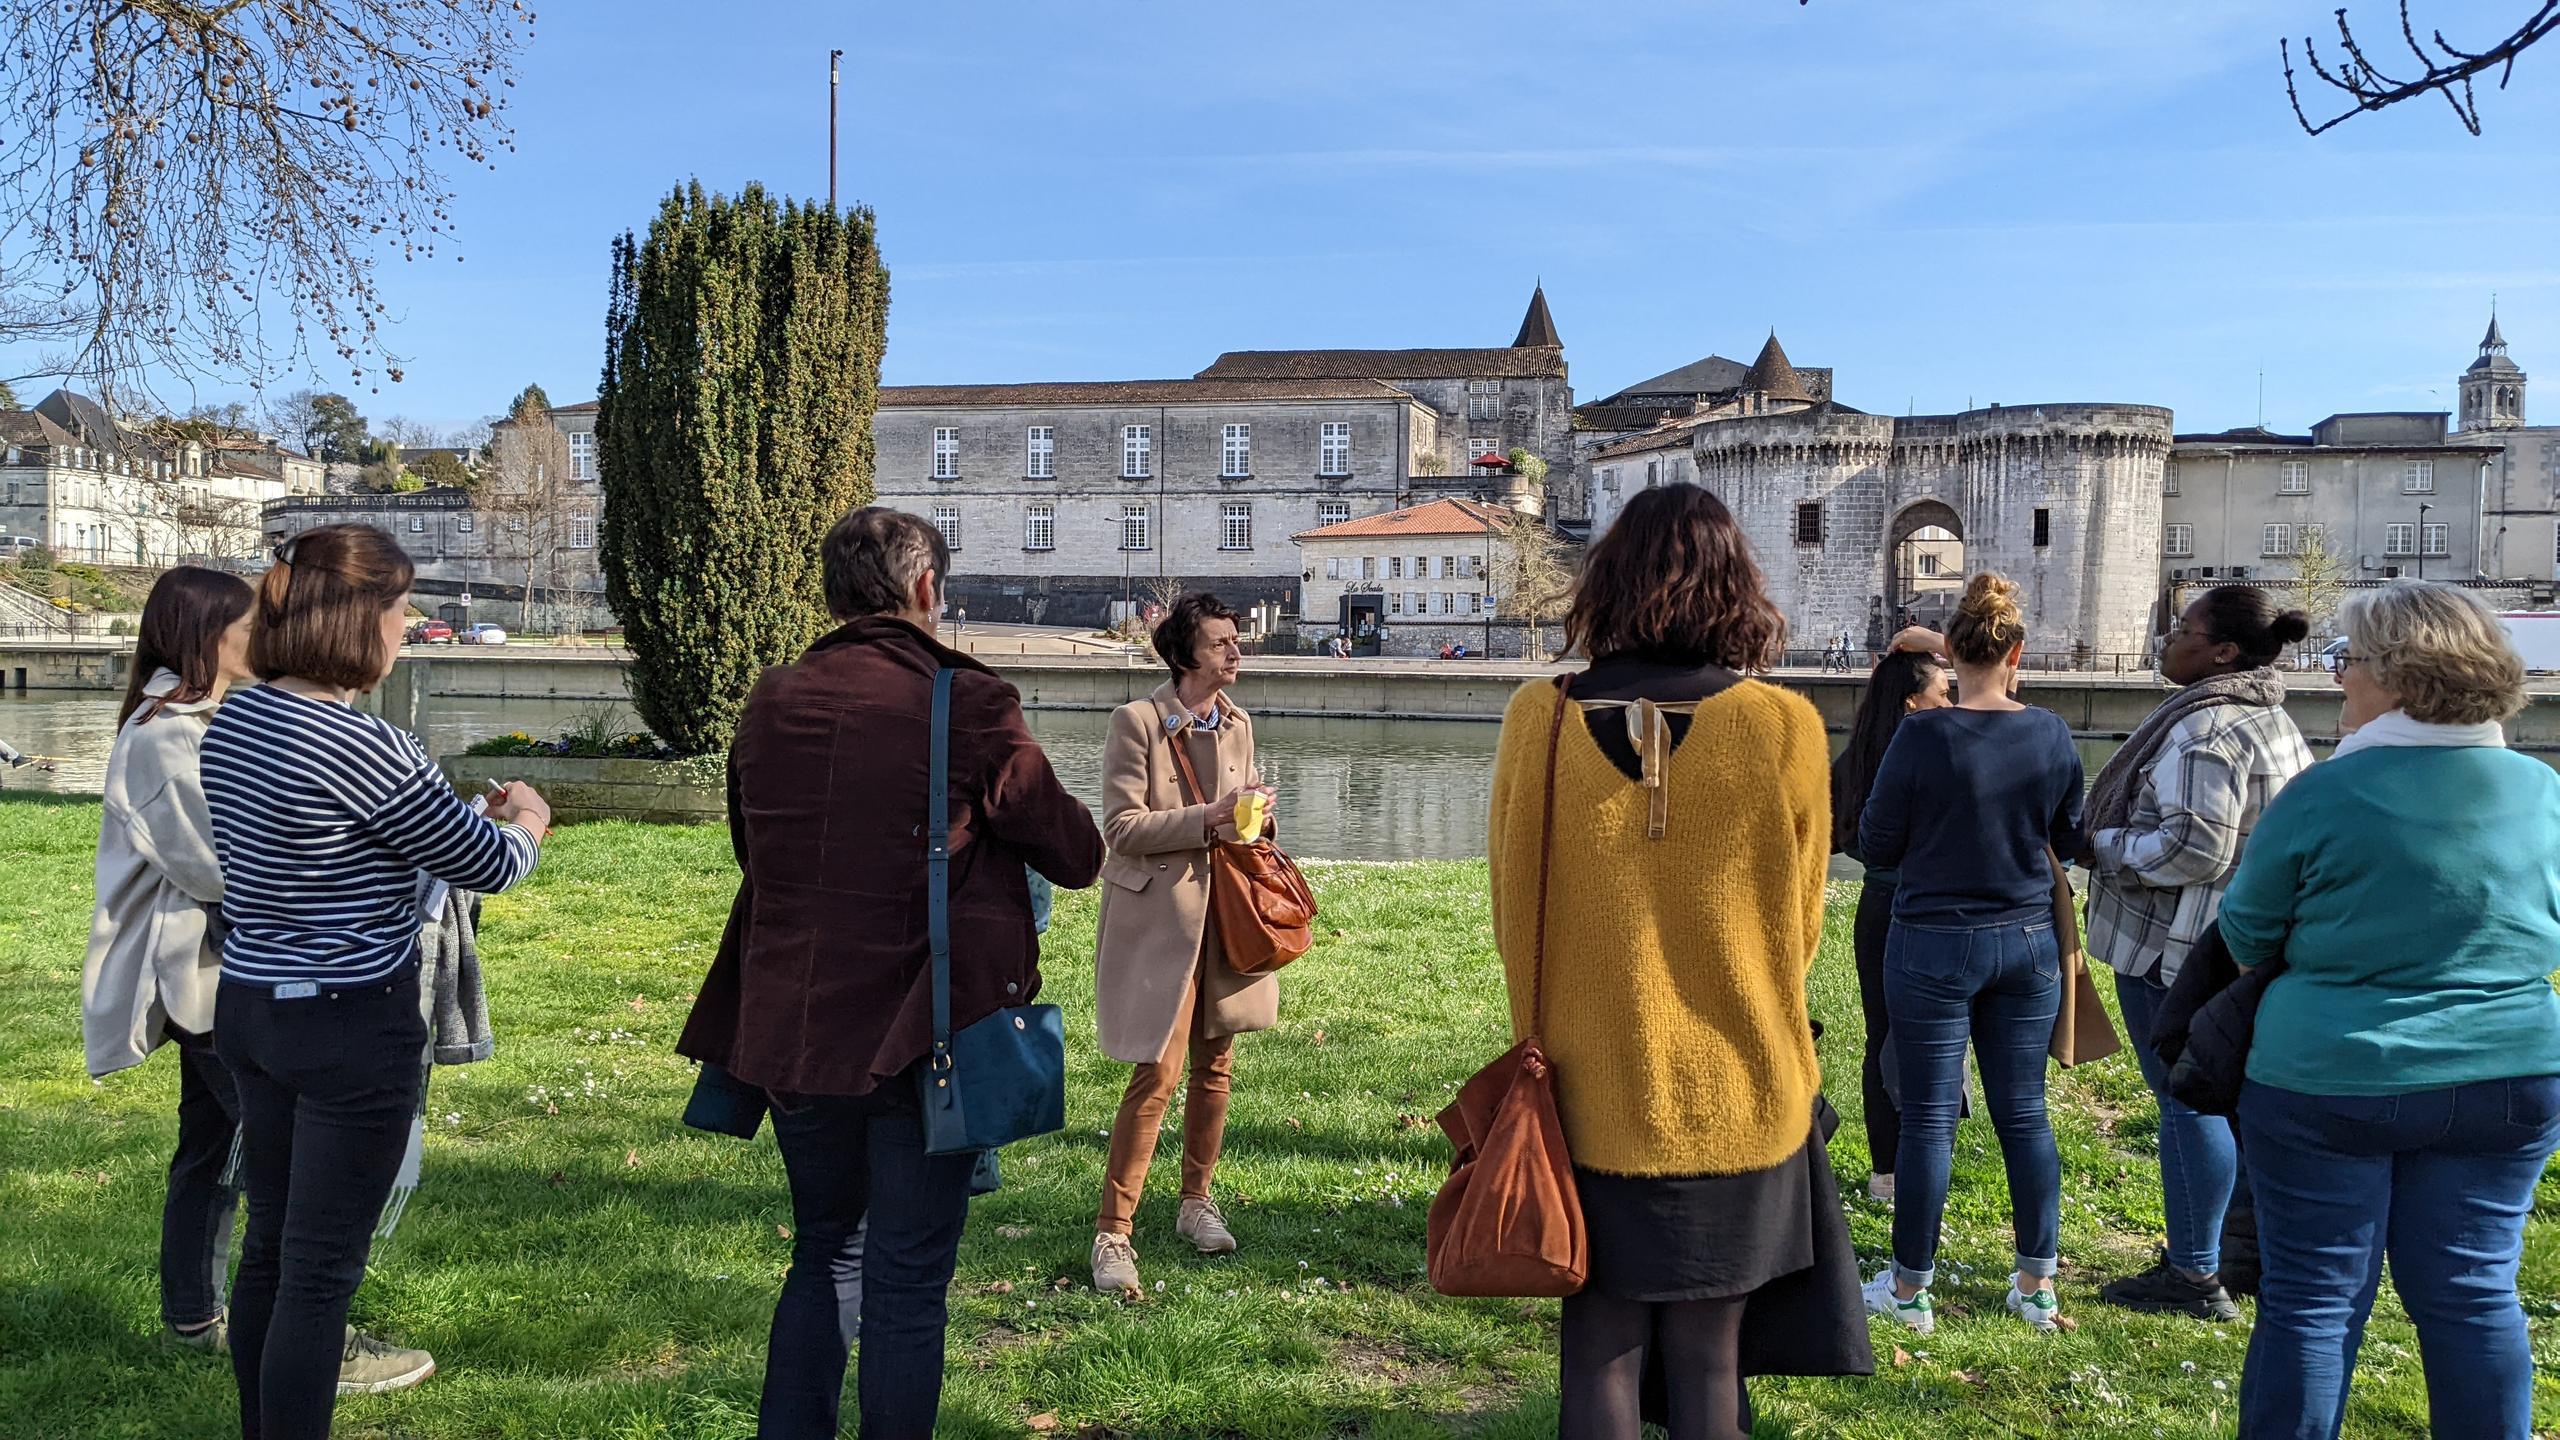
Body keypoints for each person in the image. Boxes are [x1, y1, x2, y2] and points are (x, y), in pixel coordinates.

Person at [677, 507, 1101, 1440]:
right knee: (908, 1277)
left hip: (794, 1024)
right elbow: (1075, 853)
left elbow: (753, 847)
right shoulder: (967, 701)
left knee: (825, 1250)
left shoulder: (773, 698)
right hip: (924, 1028)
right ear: (924, 591)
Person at [1489, 484, 1870, 1440]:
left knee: (1599, 1346)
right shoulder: (1782, 726)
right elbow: (1800, 921)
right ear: (1735, 589)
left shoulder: (1539, 718)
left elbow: (1512, 916)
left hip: (1586, 1089)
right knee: (1711, 1362)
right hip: (1744, 1082)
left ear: (1605, 583)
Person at [200, 525, 552, 1439]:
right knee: (319, 1273)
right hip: (350, 1021)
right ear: (363, 622)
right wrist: (530, 821)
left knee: (272, 1251)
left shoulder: (234, 718)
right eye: (400, 609)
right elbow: (486, 863)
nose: (408, 627)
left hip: (249, 1001)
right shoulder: (371, 747)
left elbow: (330, 842)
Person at [2217, 581, 2560, 1440]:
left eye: (2350, 661)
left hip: (2329, 1074)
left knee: (2313, 1302)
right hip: (2506, 1073)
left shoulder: (2327, 792)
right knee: (2476, 1291)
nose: (2340, 679)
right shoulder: (2540, 792)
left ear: (2401, 677)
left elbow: (2248, 930)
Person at [1858, 572, 2084, 1336]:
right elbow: (2072, 837)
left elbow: (1877, 838)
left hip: (1931, 939)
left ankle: (1911, 1289)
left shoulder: (1923, 734)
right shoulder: (2051, 732)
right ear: (2018, 651)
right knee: (2025, 1113)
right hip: (2027, 942)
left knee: (1927, 1118)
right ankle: (2037, 1284)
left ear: (1951, 652)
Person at [2084, 588, 2312, 1323]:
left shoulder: (2205, 729)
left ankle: (2193, 1271)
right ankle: (2244, 1249)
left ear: (2223, 653)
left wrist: (2101, 845)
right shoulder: (2272, 718)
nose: (2167, 640)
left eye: (2184, 630)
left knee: (2187, 1102)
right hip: (2241, 946)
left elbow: (2193, 846)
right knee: (2234, 1101)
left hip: (2176, 948)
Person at [82, 569, 261, 1348]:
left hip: (212, 970)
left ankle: (194, 1319)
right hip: (202, 978)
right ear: (205, 637)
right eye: (249, 627)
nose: (262, 639)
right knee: (278, 1160)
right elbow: (214, 865)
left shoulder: (203, 719)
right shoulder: (166, 734)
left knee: (214, 1148)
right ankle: (291, 1329)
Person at [1090, 593, 1280, 1294]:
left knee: (1217, 1064)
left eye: (1236, 641)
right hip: (1160, 922)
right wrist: (1212, 818)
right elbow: (1121, 828)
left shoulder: (1238, 724)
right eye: (1221, 644)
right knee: (1157, 1073)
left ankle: (1196, 1203)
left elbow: (1238, 827)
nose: (1236, 653)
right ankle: (1114, 1233)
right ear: (1183, 655)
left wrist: (1257, 822)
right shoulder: (1136, 723)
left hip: (1224, 917)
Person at [1828, 646, 1953, 1205]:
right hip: (1929, 905)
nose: (1950, 699)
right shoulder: (1943, 756)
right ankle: (1925, 1159)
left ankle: (1886, 1171)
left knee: (1881, 1036)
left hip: (1877, 902)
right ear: (1911, 703)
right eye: (1942, 692)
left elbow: (1833, 836)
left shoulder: (1852, 761)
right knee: (1935, 1036)